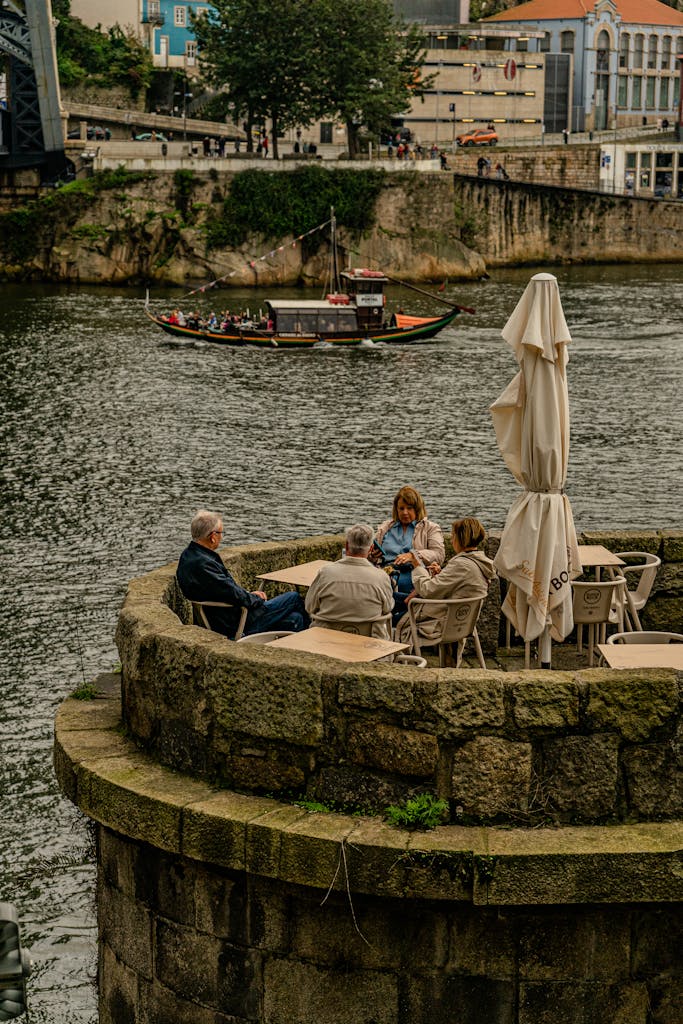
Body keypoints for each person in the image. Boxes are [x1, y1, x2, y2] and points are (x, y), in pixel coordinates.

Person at [177, 510, 308, 638]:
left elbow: (226, 590)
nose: (221, 537)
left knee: (295, 619)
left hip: (222, 617)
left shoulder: (188, 556)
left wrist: (249, 595)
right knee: (293, 597)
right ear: (212, 537)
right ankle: (313, 639)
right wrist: (257, 599)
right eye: (221, 533)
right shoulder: (205, 565)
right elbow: (234, 594)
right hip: (236, 623)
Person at [395, 517, 496, 645]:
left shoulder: (462, 565)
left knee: (388, 614)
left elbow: (427, 590)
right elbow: (458, 585)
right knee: (392, 598)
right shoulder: (477, 563)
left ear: (460, 539)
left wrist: (417, 565)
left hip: (438, 621)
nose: (452, 539)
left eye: (453, 536)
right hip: (460, 620)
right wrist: (442, 574)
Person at [305, 524, 394, 637]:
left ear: (346, 545)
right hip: (369, 644)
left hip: (325, 641)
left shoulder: (326, 573)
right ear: (371, 548)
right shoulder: (381, 577)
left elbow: (309, 606)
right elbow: (388, 608)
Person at [373, 486, 445, 624]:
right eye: (401, 508)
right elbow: (374, 557)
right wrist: (373, 555)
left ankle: (393, 622)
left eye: (409, 508)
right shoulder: (386, 527)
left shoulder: (430, 528)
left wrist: (414, 556)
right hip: (386, 574)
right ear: (396, 509)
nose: (405, 512)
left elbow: (439, 555)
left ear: (417, 508)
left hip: (413, 576)